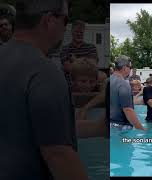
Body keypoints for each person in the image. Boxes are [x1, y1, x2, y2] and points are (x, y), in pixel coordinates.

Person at [0, 0, 89, 179]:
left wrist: (98, 127)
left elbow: (23, 127)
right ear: (49, 20)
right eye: (65, 20)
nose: (66, 28)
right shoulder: (44, 73)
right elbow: (58, 154)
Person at [110, 55, 146, 130]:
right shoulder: (123, 84)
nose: (131, 69)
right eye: (130, 67)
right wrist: (142, 129)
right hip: (120, 127)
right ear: (124, 68)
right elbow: (128, 110)